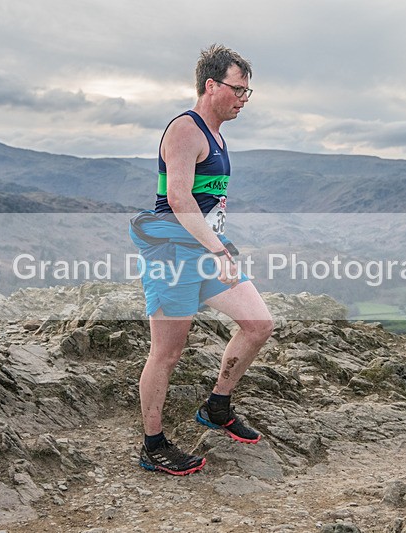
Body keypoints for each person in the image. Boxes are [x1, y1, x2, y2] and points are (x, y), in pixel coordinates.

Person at [129, 44, 273, 476]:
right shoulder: (185, 129)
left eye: (248, 92)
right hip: (173, 252)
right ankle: (153, 446)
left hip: (205, 252)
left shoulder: (217, 134)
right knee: (167, 353)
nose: (243, 99)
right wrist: (218, 249)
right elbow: (178, 197)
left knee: (258, 324)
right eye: (238, 90)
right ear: (211, 85)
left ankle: (216, 405)